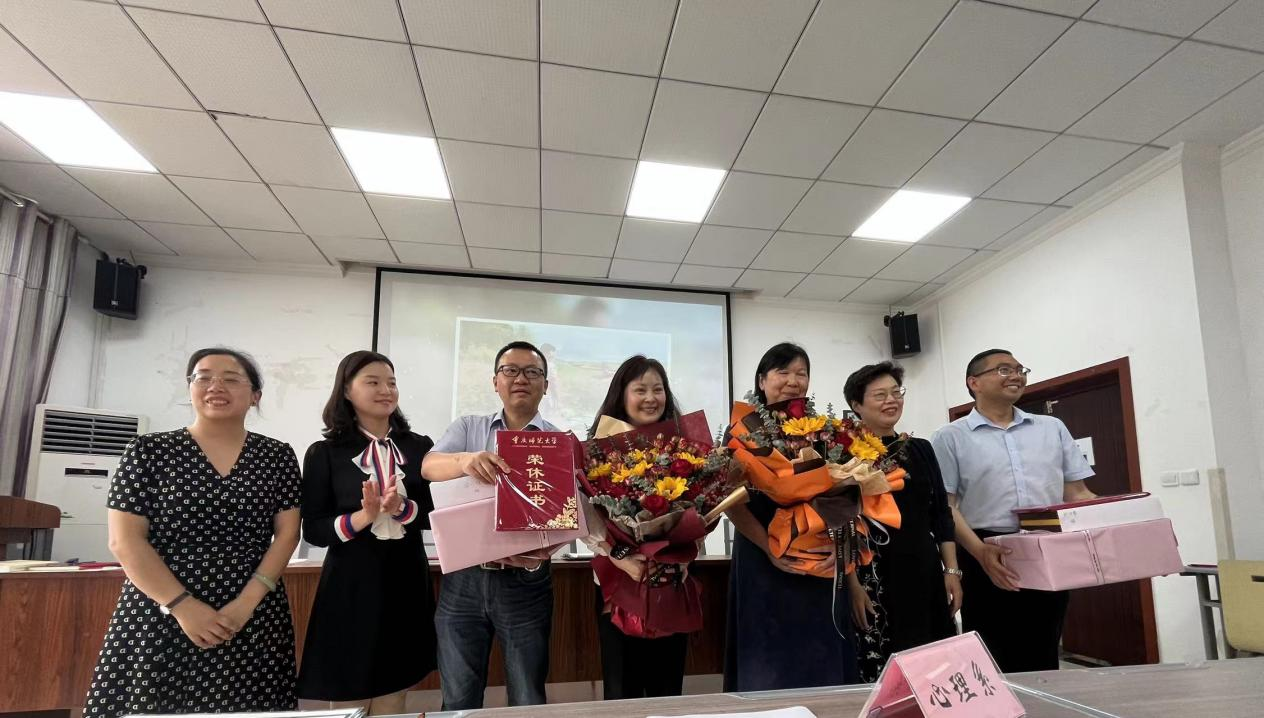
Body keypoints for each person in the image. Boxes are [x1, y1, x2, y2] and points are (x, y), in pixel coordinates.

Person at [85, 348, 301, 717]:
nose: (216, 386)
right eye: (203, 377)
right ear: (190, 388)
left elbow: (287, 534)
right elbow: (124, 539)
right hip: (161, 608)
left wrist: (244, 605)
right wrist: (183, 607)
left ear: (255, 396)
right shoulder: (148, 450)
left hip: (252, 611)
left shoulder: (276, 456)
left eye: (231, 379)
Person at [931, 349, 1096, 673]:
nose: (1016, 376)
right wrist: (979, 552)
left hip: (1047, 545)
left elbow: (1078, 493)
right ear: (974, 382)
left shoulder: (1051, 428)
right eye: (1004, 369)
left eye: (1020, 369)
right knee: (992, 652)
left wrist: (1123, 523)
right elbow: (946, 507)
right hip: (986, 549)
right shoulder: (950, 437)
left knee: (1044, 644)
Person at [296, 351, 438, 713]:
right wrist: (363, 517)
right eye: (373, 382)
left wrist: (401, 508)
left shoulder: (420, 447)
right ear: (346, 390)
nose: (385, 390)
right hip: (350, 584)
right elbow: (314, 529)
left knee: (396, 690)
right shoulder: (325, 452)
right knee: (349, 692)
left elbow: (435, 513)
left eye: (391, 382)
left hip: (405, 580)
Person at [421, 341, 560, 709]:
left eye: (532, 372)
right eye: (510, 370)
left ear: (545, 385)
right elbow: (429, 467)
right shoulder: (469, 427)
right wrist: (464, 461)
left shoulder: (559, 441)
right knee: (458, 699)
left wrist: (545, 550)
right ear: (495, 381)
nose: (520, 379)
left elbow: (568, 513)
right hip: (463, 582)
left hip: (527, 583)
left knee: (528, 696)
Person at [723, 342, 860, 691]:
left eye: (801, 373)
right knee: (767, 662)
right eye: (782, 372)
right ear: (761, 380)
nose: (793, 381)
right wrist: (770, 549)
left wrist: (841, 548)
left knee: (822, 659)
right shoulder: (740, 432)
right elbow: (731, 502)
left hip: (818, 559)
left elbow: (847, 499)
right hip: (762, 558)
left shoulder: (825, 431)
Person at [843, 361, 960, 681]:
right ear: (856, 404)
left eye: (896, 392)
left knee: (933, 663)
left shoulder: (920, 449)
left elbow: (941, 513)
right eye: (879, 395)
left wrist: (951, 570)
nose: (891, 400)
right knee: (883, 663)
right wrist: (852, 586)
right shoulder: (844, 454)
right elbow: (839, 526)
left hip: (923, 566)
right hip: (874, 572)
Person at [585, 355, 689, 700]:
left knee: (667, 691)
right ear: (622, 395)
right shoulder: (598, 451)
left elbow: (695, 513)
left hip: (668, 584)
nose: (650, 398)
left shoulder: (683, 448)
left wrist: (683, 558)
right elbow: (586, 516)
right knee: (622, 691)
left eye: (658, 389)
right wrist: (620, 557)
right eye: (640, 390)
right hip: (618, 583)